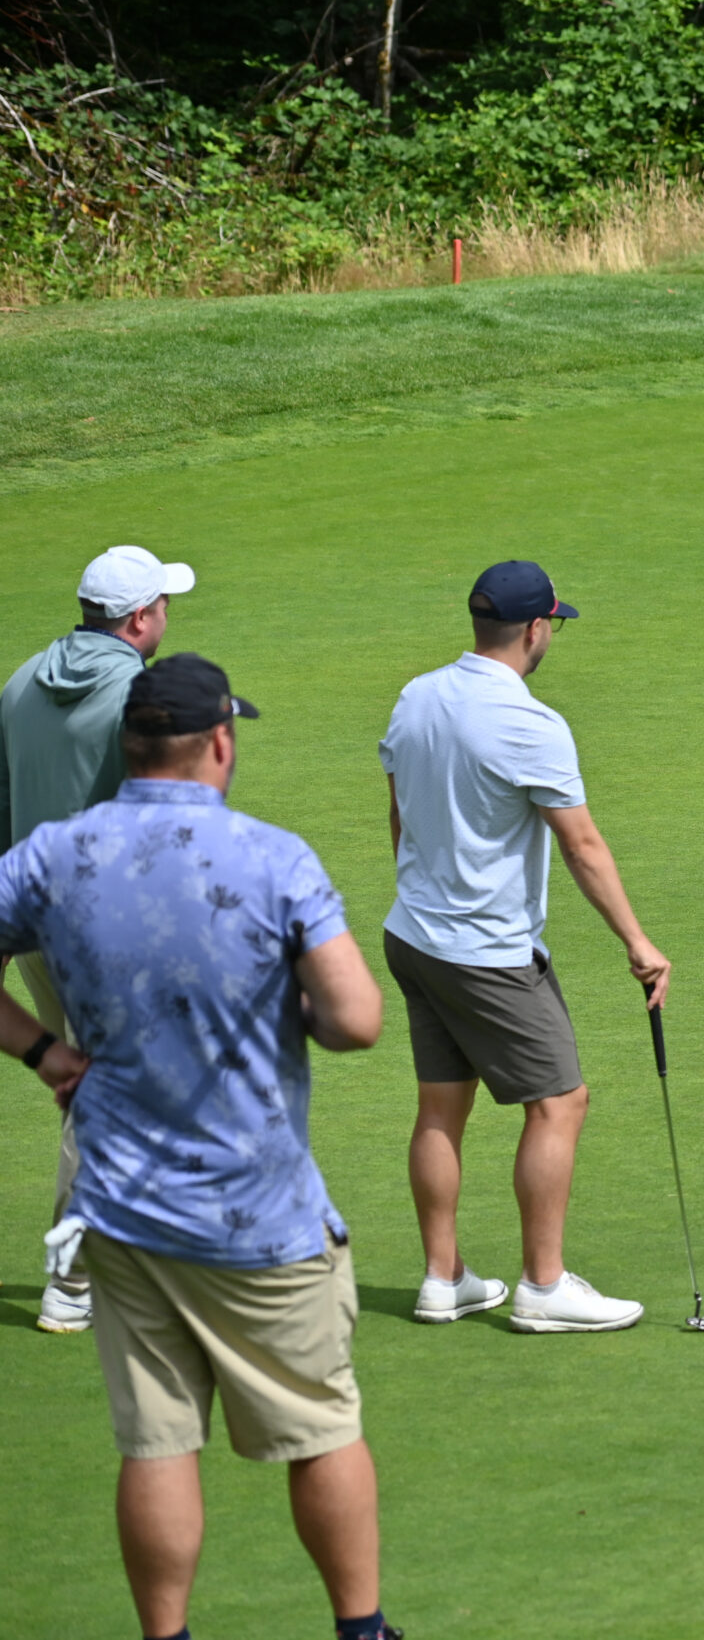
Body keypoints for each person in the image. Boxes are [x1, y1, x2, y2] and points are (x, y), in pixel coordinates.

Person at [0, 654, 402, 1640]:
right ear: (220, 740)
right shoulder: (273, 857)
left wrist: (43, 1048)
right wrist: (291, 999)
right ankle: (360, 1630)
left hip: (124, 1208)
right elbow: (356, 1018)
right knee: (323, 1425)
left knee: (156, 1443)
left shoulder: (54, 853)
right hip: (260, 1214)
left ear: (129, 744)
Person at [380, 560, 672, 1333]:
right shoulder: (531, 723)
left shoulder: (417, 695)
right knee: (559, 1103)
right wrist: (639, 943)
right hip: (487, 952)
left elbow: (400, 814)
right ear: (537, 629)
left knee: (442, 1105)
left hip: (413, 935)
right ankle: (544, 1288)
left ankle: (444, 1280)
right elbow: (581, 845)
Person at [0, 543, 194, 1334]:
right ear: (141, 617)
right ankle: (74, 1279)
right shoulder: (141, 696)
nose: (167, 617)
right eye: (164, 606)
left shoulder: (18, 683)